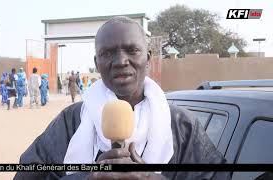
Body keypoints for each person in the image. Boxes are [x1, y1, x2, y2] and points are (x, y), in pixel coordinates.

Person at [14, 16, 230, 180]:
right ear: (97, 63)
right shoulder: (71, 121)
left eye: (132, 50)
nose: (120, 61)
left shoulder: (182, 125)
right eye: (107, 53)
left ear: (147, 59)